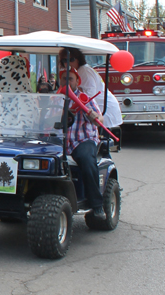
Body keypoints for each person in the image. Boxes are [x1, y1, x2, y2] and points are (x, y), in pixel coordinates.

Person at [59, 68, 106, 220]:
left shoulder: (85, 97)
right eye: (64, 78)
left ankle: (97, 206)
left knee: (86, 160)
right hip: (59, 142)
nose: (67, 81)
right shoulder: (54, 98)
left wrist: (94, 116)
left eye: (70, 79)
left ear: (77, 81)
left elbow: (100, 119)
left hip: (82, 140)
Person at [59, 48, 122, 128]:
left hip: (103, 111)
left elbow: (89, 97)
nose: (68, 63)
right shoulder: (79, 70)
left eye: (71, 59)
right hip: (99, 111)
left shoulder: (83, 71)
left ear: (79, 60)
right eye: (64, 60)